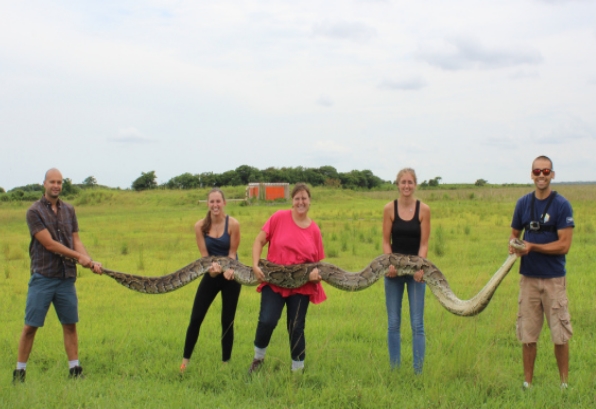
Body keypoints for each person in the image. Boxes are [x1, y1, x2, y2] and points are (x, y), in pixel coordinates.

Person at [13, 168, 103, 383]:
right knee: (30, 326)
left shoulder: (69, 210)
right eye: (52, 181)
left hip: (66, 277)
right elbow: (49, 244)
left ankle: (75, 370)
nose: (56, 185)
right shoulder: (34, 211)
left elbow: (76, 240)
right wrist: (79, 258)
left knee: (70, 324)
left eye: (60, 182)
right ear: (44, 184)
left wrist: (90, 260)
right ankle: (19, 372)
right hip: (43, 276)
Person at [509, 155, 574, 390]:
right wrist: (514, 244)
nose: (541, 176)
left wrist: (533, 246)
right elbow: (514, 234)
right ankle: (527, 382)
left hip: (554, 279)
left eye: (546, 172)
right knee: (528, 334)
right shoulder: (523, 203)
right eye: (537, 171)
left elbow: (564, 245)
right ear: (531, 174)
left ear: (553, 175)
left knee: (560, 334)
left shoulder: (562, 205)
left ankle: (564, 384)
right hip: (528, 278)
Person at [248, 183, 325, 374]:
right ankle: (258, 359)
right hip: (273, 280)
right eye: (297, 198)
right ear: (292, 201)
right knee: (267, 320)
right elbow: (259, 241)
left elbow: (318, 264)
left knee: (296, 326)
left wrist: (315, 276)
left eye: (304, 198)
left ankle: (297, 370)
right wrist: (256, 264)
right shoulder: (278, 217)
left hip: (301, 285)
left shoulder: (314, 230)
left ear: (309, 201)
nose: (300, 202)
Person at [180, 188, 241, 373]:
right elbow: (204, 257)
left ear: (224, 203)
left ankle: (225, 363)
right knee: (196, 317)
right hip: (211, 273)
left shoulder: (233, 224)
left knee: (227, 320)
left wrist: (229, 270)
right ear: (207, 204)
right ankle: (185, 362)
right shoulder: (199, 226)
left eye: (218, 201)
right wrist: (213, 273)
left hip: (231, 275)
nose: (215, 205)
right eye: (212, 202)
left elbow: (232, 254)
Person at [382, 168, 431, 374]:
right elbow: (386, 241)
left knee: (417, 324)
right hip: (393, 272)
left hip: (416, 273)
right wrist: (389, 264)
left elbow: (424, 243)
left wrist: (421, 267)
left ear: (415, 184)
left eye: (410, 182)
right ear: (397, 185)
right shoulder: (389, 209)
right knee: (393, 322)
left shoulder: (424, 210)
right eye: (403, 182)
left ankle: (418, 371)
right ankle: (395, 369)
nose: (406, 186)